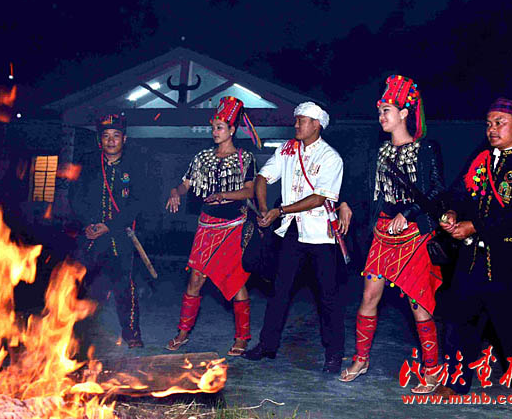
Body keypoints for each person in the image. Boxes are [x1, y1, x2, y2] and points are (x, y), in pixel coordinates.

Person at [435, 98, 512, 419]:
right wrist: (452, 213)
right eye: (488, 123)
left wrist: (473, 225)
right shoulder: (480, 159)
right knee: (459, 321)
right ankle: (456, 382)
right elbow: (458, 193)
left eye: (500, 122)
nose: (492, 129)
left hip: (508, 260)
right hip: (472, 256)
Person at [337, 75, 445, 393]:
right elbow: (365, 189)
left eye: (386, 110)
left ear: (404, 113)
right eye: (380, 111)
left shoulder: (427, 149)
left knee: (418, 303)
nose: (381, 116)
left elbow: (437, 191)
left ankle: (432, 369)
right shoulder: (379, 152)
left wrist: (407, 213)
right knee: (368, 296)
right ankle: (361, 359)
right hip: (383, 234)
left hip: (414, 236)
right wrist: (346, 202)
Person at [241, 101, 347, 374]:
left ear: (316, 125)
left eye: (302, 120)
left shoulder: (331, 157)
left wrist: (279, 210)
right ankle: (267, 345)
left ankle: (334, 354)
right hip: (292, 230)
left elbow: (319, 197)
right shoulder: (287, 149)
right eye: (296, 119)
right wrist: (264, 209)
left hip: (320, 235)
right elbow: (263, 177)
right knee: (280, 289)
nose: (296, 124)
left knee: (327, 295)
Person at [165, 96, 259, 356]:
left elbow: (249, 191)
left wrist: (223, 195)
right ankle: (183, 332)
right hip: (206, 226)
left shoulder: (245, 158)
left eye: (220, 127)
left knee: (236, 281)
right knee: (195, 278)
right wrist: (175, 192)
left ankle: (242, 337)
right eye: (213, 127)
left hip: (233, 226)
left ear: (232, 130)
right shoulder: (202, 157)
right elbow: (186, 183)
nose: (214, 132)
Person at [69, 114, 143, 348]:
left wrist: (110, 226)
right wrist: (88, 224)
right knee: (80, 285)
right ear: (100, 140)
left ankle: (131, 334)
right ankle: (74, 334)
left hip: (120, 237)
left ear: (124, 139)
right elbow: (75, 196)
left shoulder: (135, 166)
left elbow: (138, 203)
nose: (111, 141)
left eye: (116, 136)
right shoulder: (88, 163)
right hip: (90, 236)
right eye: (106, 136)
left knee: (125, 287)